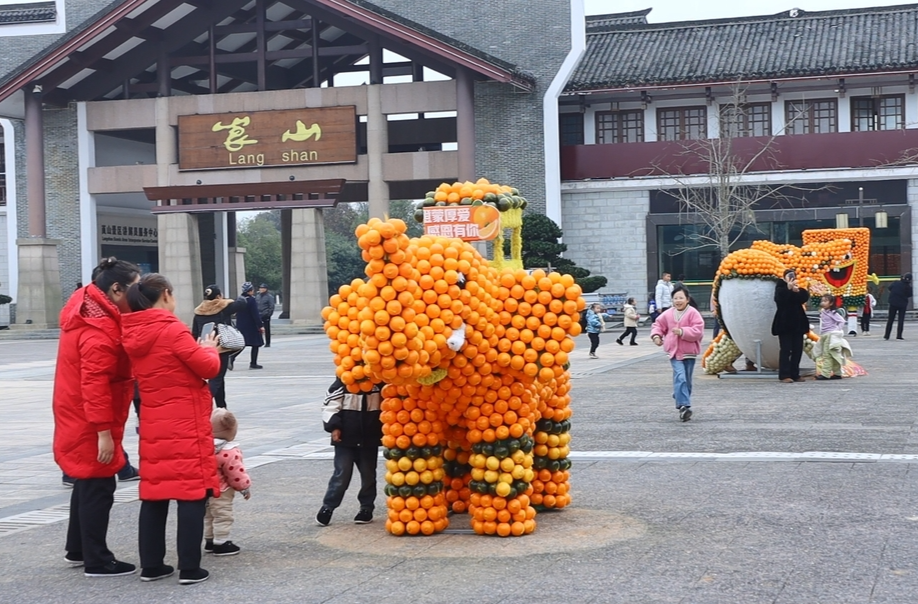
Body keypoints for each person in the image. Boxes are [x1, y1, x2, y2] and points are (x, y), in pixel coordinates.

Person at [121, 273, 222, 585]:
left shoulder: (132, 331)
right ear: (165, 294)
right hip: (185, 422)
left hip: (153, 421)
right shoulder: (171, 328)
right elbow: (207, 368)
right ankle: (190, 568)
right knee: (190, 492)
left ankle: (152, 566)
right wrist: (209, 349)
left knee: (155, 494)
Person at [53, 257, 140, 577]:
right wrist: (103, 431)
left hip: (77, 411)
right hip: (89, 416)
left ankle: (77, 549)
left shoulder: (88, 310)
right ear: (117, 289)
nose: (139, 292)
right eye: (135, 286)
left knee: (87, 480)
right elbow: (94, 384)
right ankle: (97, 559)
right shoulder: (98, 329)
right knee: (99, 483)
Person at [315, 378, 382, 527]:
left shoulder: (379, 383)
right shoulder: (345, 381)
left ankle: (366, 508)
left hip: (369, 439)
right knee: (341, 474)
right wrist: (334, 426)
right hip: (345, 439)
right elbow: (330, 405)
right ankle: (328, 507)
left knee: (368, 475)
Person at [650, 286, 705, 422]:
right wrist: (656, 336)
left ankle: (679, 395)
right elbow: (658, 325)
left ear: (687, 299)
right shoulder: (668, 314)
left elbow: (698, 331)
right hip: (674, 353)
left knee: (686, 381)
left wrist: (683, 332)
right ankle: (684, 406)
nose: (678, 301)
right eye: (675, 298)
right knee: (680, 377)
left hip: (689, 352)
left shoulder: (693, 313)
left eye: (681, 298)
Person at [204, 408, 251, 557]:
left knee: (209, 515)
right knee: (223, 515)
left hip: (205, 489)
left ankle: (209, 540)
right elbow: (236, 474)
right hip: (223, 490)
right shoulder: (229, 451)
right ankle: (221, 542)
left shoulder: (204, 447)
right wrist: (244, 487)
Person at [192, 284, 247, 407]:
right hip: (221, 348)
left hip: (204, 348)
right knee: (216, 379)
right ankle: (203, 402)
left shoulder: (198, 311)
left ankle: (222, 406)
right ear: (218, 296)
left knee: (219, 379)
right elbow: (242, 302)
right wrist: (226, 300)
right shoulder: (223, 307)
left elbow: (195, 333)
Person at [772, 268, 811, 383]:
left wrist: (796, 291)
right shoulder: (780, 288)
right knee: (786, 349)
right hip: (784, 323)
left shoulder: (797, 288)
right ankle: (784, 375)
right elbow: (779, 299)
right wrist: (788, 288)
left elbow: (804, 297)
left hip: (798, 323)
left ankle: (795, 373)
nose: (792, 278)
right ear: (784, 277)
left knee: (797, 349)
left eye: (793, 275)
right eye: (789, 276)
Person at [816, 294, 848, 381]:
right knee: (833, 354)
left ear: (831, 303)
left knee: (827, 355)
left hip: (830, 335)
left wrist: (836, 330)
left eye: (825, 301)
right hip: (824, 334)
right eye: (822, 301)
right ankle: (838, 373)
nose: (823, 302)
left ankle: (825, 374)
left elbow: (841, 321)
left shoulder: (832, 312)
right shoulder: (823, 312)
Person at [235, 282, 265, 369]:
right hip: (251, 326)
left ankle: (232, 357)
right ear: (250, 291)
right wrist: (260, 325)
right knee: (255, 344)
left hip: (241, 325)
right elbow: (255, 314)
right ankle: (253, 363)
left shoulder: (239, 299)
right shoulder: (251, 300)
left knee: (241, 343)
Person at [884, 273, 913, 341]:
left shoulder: (896, 283)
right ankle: (899, 336)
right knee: (901, 320)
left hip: (893, 302)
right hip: (902, 304)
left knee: (890, 319)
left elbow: (889, 288)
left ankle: (887, 335)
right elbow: (909, 295)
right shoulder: (908, 287)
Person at [255, 283, 275, 348]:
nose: (261, 289)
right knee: (258, 329)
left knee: (267, 330)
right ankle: (259, 342)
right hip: (258, 315)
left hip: (265, 315)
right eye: (260, 288)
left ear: (266, 289)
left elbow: (271, 306)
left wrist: (268, 314)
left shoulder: (269, 297)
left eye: (263, 288)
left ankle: (268, 342)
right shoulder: (257, 296)